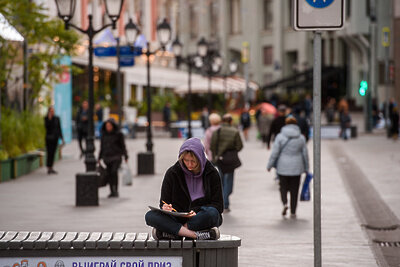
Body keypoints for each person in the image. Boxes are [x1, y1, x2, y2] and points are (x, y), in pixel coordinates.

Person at [145, 138, 223, 240]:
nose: (189, 165)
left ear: (200, 159)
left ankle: (174, 232)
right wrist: (165, 207)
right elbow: (164, 202)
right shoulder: (173, 173)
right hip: (177, 217)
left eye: (193, 161)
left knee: (212, 214)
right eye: (186, 160)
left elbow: (218, 205)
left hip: (199, 217)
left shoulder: (212, 173)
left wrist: (196, 211)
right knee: (150, 216)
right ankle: (195, 234)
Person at [267, 116, 309, 219]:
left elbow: (275, 153)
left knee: (283, 187)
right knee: (295, 190)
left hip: (283, 167)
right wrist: (306, 168)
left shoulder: (280, 137)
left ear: (286, 124)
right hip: (297, 167)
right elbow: (305, 154)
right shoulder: (301, 138)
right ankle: (293, 212)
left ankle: (285, 203)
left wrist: (269, 165)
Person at [210, 113, 243, 213]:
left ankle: (223, 203)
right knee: (229, 181)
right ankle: (226, 203)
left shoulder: (217, 131)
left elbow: (212, 145)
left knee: (221, 181)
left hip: (220, 159)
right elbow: (239, 146)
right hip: (231, 159)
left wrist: (216, 156)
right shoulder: (235, 131)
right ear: (231, 121)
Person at [98, 119, 128, 198]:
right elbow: (102, 147)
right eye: (107, 126)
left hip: (116, 156)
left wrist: (125, 156)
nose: (108, 127)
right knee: (109, 174)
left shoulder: (118, 134)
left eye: (109, 126)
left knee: (114, 172)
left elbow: (123, 146)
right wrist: (99, 157)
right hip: (107, 157)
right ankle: (111, 190)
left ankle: (115, 190)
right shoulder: (104, 135)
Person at [44, 107, 64, 175]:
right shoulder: (46, 119)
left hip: (55, 138)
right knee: (49, 153)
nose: (52, 112)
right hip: (49, 138)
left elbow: (59, 128)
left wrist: (62, 138)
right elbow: (47, 127)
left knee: (53, 153)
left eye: (53, 111)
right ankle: (48, 167)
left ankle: (51, 167)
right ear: (48, 112)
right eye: (51, 111)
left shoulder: (57, 118)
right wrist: (49, 119)